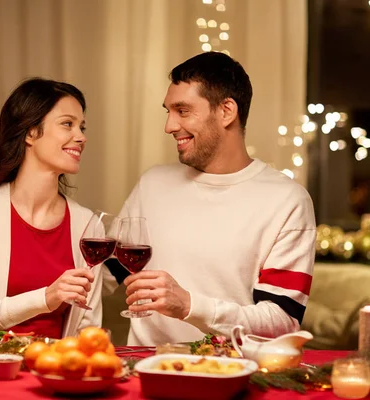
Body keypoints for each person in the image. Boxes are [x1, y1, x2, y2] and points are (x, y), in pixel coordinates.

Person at [107, 52, 316, 346]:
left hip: (231, 372)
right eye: (168, 111)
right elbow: (106, 270)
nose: (169, 125)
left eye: (182, 110)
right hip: (147, 370)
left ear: (226, 111)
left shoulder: (287, 201)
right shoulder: (152, 183)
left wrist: (190, 306)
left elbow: (282, 320)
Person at [0, 78, 103, 339]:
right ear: (30, 132)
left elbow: (87, 331)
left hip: (56, 371)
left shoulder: (88, 224)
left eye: (81, 127)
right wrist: (45, 298)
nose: (81, 137)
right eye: (67, 124)